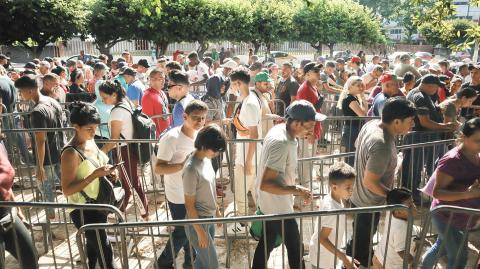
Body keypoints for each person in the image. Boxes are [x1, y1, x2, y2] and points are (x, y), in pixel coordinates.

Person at [346, 97, 416, 267]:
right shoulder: (382, 144)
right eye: (411, 121)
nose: (413, 125)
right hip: (368, 202)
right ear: (397, 122)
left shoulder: (371, 124)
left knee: (360, 237)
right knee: (361, 243)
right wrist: (395, 199)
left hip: (360, 197)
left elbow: (358, 146)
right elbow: (370, 182)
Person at [251, 100, 321, 269]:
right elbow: (266, 184)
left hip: (273, 204)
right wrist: (296, 189)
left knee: (266, 243)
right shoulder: (281, 142)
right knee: (295, 248)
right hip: (279, 208)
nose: (312, 131)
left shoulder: (282, 131)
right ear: (296, 123)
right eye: (310, 126)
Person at [60, 102, 119, 269]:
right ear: (76, 127)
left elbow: (103, 162)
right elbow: (66, 190)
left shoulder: (91, 141)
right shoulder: (70, 152)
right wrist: (94, 175)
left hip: (99, 203)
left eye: (96, 127)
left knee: (94, 246)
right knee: (105, 250)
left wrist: (111, 172)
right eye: (89, 129)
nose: (94, 132)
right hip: (82, 209)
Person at [421, 118, 480, 269]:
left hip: (462, 216)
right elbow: (438, 192)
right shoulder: (452, 160)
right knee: (459, 257)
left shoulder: (475, 154)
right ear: (463, 137)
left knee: (441, 247)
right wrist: (467, 194)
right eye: (477, 140)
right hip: (447, 216)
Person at [155, 100, 208, 269]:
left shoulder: (199, 135)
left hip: (194, 193)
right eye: (195, 118)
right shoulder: (171, 138)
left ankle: (189, 263)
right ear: (184, 116)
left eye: (203, 118)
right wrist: (181, 165)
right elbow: (158, 168)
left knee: (190, 231)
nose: (200, 122)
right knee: (182, 232)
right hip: (177, 195)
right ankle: (163, 263)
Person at [15, 75, 66, 219]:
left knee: (45, 187)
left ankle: (50, 218)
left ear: (30, 91)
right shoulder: (51, 101)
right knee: (65, 184)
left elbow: (40, 141)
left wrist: (39, 165)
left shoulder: (37, 111)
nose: (20, 95)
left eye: (21, 92)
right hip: (59, 151)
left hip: (47, 157)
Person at [98, 81, 149, 220]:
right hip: (128, 148)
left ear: (114, 94)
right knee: (128, 184)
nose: (103, 100)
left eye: (105, 97)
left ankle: (145, 215)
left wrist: (99, 153)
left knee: (132, 184)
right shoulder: (125, 103)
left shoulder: (116, 111)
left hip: (123, 150)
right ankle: (120, 211)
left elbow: (114, 139)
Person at [402, 75, 457, 200]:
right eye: (437, 87)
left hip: (419, 137)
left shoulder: (419, 94)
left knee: (413, 166)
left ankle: (410, 194)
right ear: (430, 86)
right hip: (419, 138)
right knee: (414, 167)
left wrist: (437, 109)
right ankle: (412, 196)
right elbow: (425, 122)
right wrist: (446, 126)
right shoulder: (420, 97)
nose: (437, 89)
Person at [184, 125, 226, 269]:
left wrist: (218, 210)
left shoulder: (207, 160)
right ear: (204, 145)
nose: (216, 153)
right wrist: (200, 232)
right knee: (212, 265)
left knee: (203, 263)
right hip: (198, 222)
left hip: (209, 217)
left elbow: (211, 187)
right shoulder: (191, 169)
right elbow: (189, 205)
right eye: (215, 149)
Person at [0, 129, 38, 269]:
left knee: (31, 259)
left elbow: (6, 184)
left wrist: (19, 211)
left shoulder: (0, 144)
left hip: (9, 216)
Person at [309, 162, 358, 269]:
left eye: (352, 187)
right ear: (335, 187)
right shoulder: (332, 210)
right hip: (322, 260)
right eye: (348, 188)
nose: (351, 191)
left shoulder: (333, 199)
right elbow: (323, 238)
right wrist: (344, 258)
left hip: (325, 257)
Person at [230, 69, 262, 220]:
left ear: (238, 83)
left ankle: (242, 224)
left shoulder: (249, 103)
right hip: (249, 154)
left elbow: (254, 135)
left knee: (242, 194)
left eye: (232, 84)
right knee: (254, 192)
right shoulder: (249, 99)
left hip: (247, 156)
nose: (231, 88)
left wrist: (248, 161)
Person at [373, 188, 418, 269]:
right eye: (409, 205)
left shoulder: (391, 212)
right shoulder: (401, 228)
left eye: (413, 202)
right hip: (388, 265)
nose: (414, 206)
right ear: (398, 211)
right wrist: (413, 263)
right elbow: (402, 251)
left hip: (379, 257)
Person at [297, 63, 323, 185]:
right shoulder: (305, 89)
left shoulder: (312, 86)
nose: (319, 72)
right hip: (307, 131)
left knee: (309, 159)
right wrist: (309, 132)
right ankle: (305, 185)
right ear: (307, 74)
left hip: (314, 128)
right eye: (315, 70)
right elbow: (303, 113)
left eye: (319, 70)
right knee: (306, 159)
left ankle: (306, 184)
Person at [337, 76, 368, 165]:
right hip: (352, 129)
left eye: (361, 85)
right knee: (351, 155)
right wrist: (362, 98)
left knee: (353, 154)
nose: (361, 88)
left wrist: (362, 98)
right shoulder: (349, 99)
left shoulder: (353, 98)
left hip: (354, 128)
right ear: (350, 86)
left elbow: (364, 112)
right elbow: (363, 115)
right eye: (358, 85)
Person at [141, 69, 171, 138]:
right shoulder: (147, 96)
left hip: (167, 134)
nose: (164, 81)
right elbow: (148, 120)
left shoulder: (162, 92)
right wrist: (156, 138)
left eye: (164, 78)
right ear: (152, 80)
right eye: (160, 79)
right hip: (158, 137)